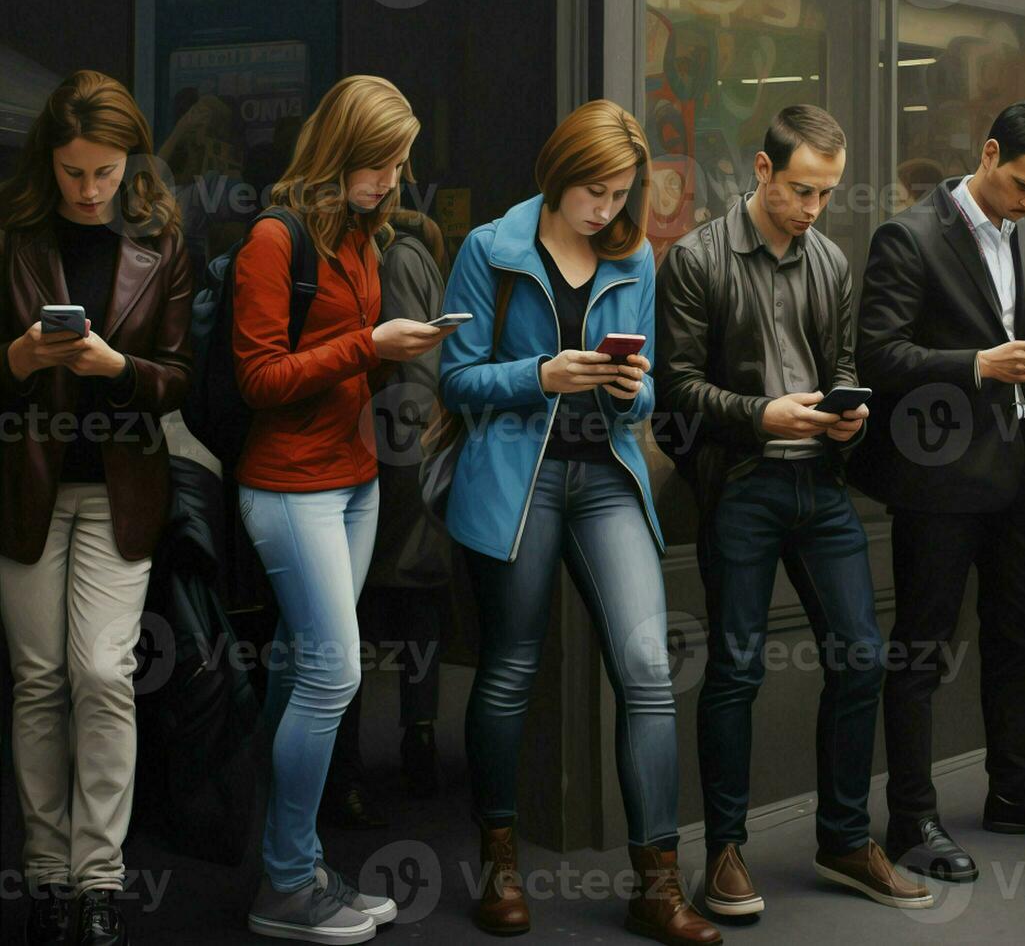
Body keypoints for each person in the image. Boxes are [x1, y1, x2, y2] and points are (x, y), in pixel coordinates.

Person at [441, 100, 720, 945]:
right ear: (560, 172)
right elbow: (456, 381)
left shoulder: (634, 253)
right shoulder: (489, 249)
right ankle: (499, 865)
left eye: (621, 192)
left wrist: (628, 387)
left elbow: (652, 387)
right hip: (514, 480)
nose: (607, 208)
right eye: (595, 190)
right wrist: (541, 374)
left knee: (645, 665)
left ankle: (658, 885)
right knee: (510, 669)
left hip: (604, 476)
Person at [657, 104, 933, 913]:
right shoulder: (697, 259)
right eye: (802, 191)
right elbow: (673, 386)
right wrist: (758, 414)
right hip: (740, 484)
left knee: (861, 654)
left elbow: (843, 364)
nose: (813, 210)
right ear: (763, 170)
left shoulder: (831, 263)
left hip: (818, 482)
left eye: (827, 195)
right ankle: (726, 853)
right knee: (737, 670)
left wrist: (850, 416)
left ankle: (845, 840)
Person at [853, 99, 1025, 884]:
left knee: (1016, 639)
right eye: (1023, 185)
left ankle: (1015, 790)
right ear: (988, 153)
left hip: (1018, 468)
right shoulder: (907, 233)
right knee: (923, 649)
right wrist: (978, 364)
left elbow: (1011, 339)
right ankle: (910, 817)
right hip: (937, 475)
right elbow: (878, 355)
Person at [234, 75, 452, 943]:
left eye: (400, 164)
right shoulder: (270, 240)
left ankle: (290, 855)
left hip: (356, 481)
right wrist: (367, 345)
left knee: (298, 671)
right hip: (291, 486)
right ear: (338, 153)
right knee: (334, 674)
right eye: (379, 163)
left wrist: (408, 351)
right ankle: (285, 884)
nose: (392, 180)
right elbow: (258, 378)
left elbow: (350, 360)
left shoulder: (368, 237)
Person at [0, 69, 193, 946]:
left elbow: (184, 378)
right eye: (75, 172)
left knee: (104, 676)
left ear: (130, 160)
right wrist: (18, 357)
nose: (90, 189)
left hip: (121, 488)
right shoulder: (12, 231)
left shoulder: (162, 235)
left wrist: (120, 369)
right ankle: (45, 873)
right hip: (26, 484)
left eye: (106, 172)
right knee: (39, 681)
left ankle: (99, 882)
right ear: (52, 161)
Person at [321, 210, 453, 831]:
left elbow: (408, 372)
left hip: (387, 458)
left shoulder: (394, 258)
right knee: (413, 605)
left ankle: (348, 773)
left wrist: (398, 443)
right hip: (402, 458)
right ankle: (414, 739)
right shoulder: (417, 255)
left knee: (354, 615)